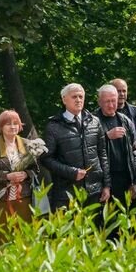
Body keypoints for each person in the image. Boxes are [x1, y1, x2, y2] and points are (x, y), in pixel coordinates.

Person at [41, 83, 111, 213]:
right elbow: (46, 159)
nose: (78, 100)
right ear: (64, 99)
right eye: (74, 97)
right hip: (66, 193)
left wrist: (106, 185)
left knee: (93, 231)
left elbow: (102, 155)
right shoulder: (54, 126)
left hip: (93, 191)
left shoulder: (94, 122)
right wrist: (71, 172)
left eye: (81, 96)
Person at [0, 109, 38, 222]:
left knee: (21, 236)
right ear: (1, 127)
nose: (12, 127)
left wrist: (25, 174)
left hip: (23, 199)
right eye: (8, 124)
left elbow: (35, 170)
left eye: (15, 123)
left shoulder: (28, 144)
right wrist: (7, 176)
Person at [95, 84, 136, 206]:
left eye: (113, 101)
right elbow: (89, 149)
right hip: (104, 178)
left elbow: (133, 154)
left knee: (128, 219)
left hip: (125, 177)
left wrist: (133, 181)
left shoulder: (125, 120)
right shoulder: (92, 121)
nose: (110, 105)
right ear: (99, 102)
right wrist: (106, 137)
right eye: (107, 101)